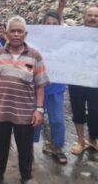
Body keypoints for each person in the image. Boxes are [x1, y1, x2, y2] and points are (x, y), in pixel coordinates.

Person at [0, 16, 49, 184]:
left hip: (25, 112)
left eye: (20, 31)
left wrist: (39, 109)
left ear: (25, 34)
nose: (16, 34)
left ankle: (26, 176)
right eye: (13, 31)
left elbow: (40, 85)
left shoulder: (35, 56)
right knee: (0, 144)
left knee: (25, 146)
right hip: (1, 110)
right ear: (6, 34)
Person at [68, 7, 98, 155]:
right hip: (76, 79)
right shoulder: (75, 35)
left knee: (96, 113)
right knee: (78, 111)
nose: (93, 18)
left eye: (96, 16)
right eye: (90, 15)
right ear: (84, 17)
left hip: (95, 80)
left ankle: (93, 139)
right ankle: (80, 141)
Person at [33, 11, 68, 164]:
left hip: (56, 88)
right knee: (33, 119)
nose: (52, 27)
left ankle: (57, 147)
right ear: (43, 25)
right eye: (48, 24)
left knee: (57, 120)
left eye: (55, 24)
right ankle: (28, 147)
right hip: (37, 87)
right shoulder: (34, 40)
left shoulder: (65, 42)